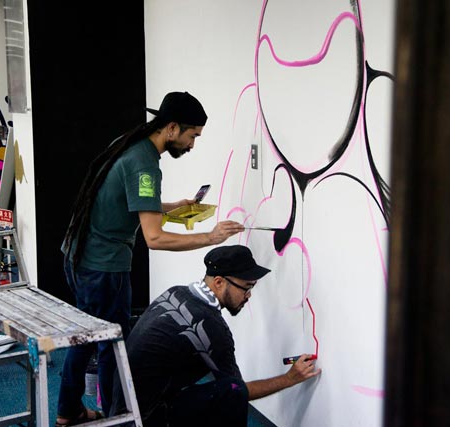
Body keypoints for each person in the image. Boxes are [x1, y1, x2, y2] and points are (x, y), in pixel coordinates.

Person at [55, 92, 245, 426]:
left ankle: (69, 411)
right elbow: (154, 238)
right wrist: (210, 238)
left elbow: (132, 201)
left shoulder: (128, 144)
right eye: (192, 136)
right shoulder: (145, 165)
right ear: (172, 128)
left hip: (78, 255)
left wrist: (174, 206)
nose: (192, 145)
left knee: (86, 337)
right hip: (103, 267)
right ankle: (116, 418)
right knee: (111, 345)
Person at [110, 245, 321, 426]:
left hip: (121, 409)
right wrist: (289, 378)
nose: (249, 295)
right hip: (143, 419)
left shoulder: (177, 292)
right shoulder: (211, 326)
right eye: (246, 287)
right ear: (219, 282)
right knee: (231, 393)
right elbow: (238, 389)